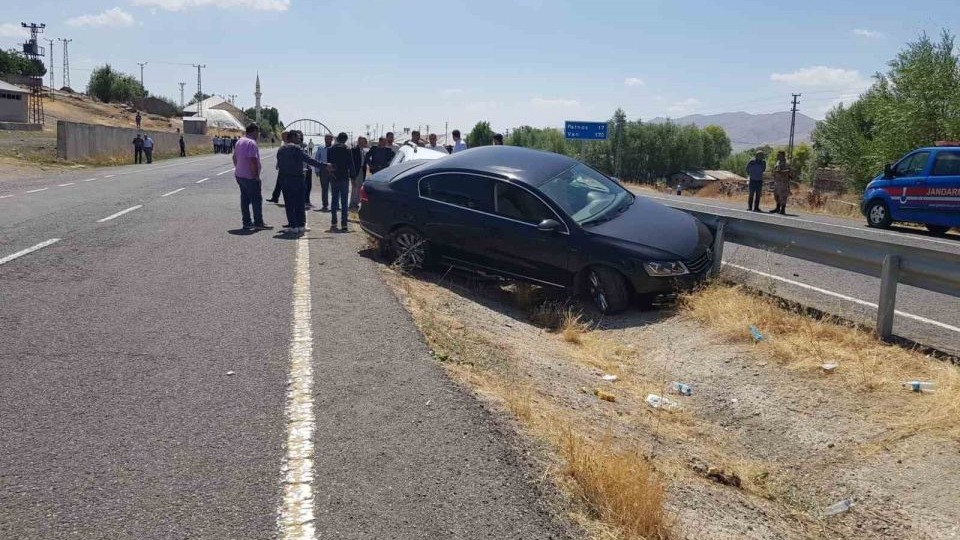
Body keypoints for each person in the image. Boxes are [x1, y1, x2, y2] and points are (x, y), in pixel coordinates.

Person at [276, 130, 323, 235]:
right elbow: (309, 160)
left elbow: (279, 165)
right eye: (297, 137)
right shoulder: (297, 148)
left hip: (286, 180)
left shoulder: (281, 149)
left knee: (289, 204)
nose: (299, 139)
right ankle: (301, 226)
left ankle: (293, 226)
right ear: (292, 137)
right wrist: (324, 166)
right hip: (298, 179)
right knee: (300, 203)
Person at [233, 123, 269, 230]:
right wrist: (256, 176)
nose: (258, 134)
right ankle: (258, 222)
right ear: (254, 131)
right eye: (257, 132)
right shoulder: (251, 143)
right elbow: (253, 160)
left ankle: (247, 222)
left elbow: (234, 158)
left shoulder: (239, 141)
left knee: (244, 199)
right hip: (250, 177)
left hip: (239, 175)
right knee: (256, 200)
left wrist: (238, 168)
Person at [326, 132, 354, 232]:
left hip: (334, 177)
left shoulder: (331, 149)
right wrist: (353, 177)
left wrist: (330, 174)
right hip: (344, 177)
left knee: (334, 200)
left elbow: (328, 163)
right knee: (344, 201)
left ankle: (334, 222)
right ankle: (344, 224)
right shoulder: (347, 149)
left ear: (337, 138)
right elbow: (351, 164)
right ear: (345, 140)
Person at [266, 131, 290, 204]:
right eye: (282, 136)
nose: (282, 137)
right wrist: (277, 163)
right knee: (279, 182)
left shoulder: (290, 143)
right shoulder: (283, 143)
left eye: (284, 136)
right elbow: (280, 154)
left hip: (288, 167)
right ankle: (275, 197)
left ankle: (287, 199)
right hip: (282, 166)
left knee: (286, 184)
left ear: (287, 136)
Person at [313, 134, 334, 211]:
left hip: (333, 171)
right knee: (324, 189)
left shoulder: (335, 148)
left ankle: (335, 205)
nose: (327, 140)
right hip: (323, 170)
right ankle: (325, 205)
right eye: (326, 139)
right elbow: (317, 159)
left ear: (332, 140)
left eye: (329, 139)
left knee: (334, 188)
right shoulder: (320, 148)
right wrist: (317, 170)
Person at [770, 151, 791, 215]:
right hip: (777, 181)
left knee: (783, 196)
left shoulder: (786, 163)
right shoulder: (778, 162)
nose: (777, 156)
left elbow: (788, 171)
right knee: (776, 195)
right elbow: (775, 170)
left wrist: (780, 172)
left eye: (779, 155)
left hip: (783, 182)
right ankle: (777, 208)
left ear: (783, 155)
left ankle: (783, 209)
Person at [350, 136, 368, 209]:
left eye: (363, 142)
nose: (362, 143)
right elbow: (351, 162)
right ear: (358, 141)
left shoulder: (363, 151)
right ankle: (352, 204)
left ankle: (356, 203)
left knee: (359, 187)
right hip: (355, 171)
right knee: (355, 188)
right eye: (360, 141)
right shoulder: (354, 150)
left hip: (361, 171)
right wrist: (352, 175)